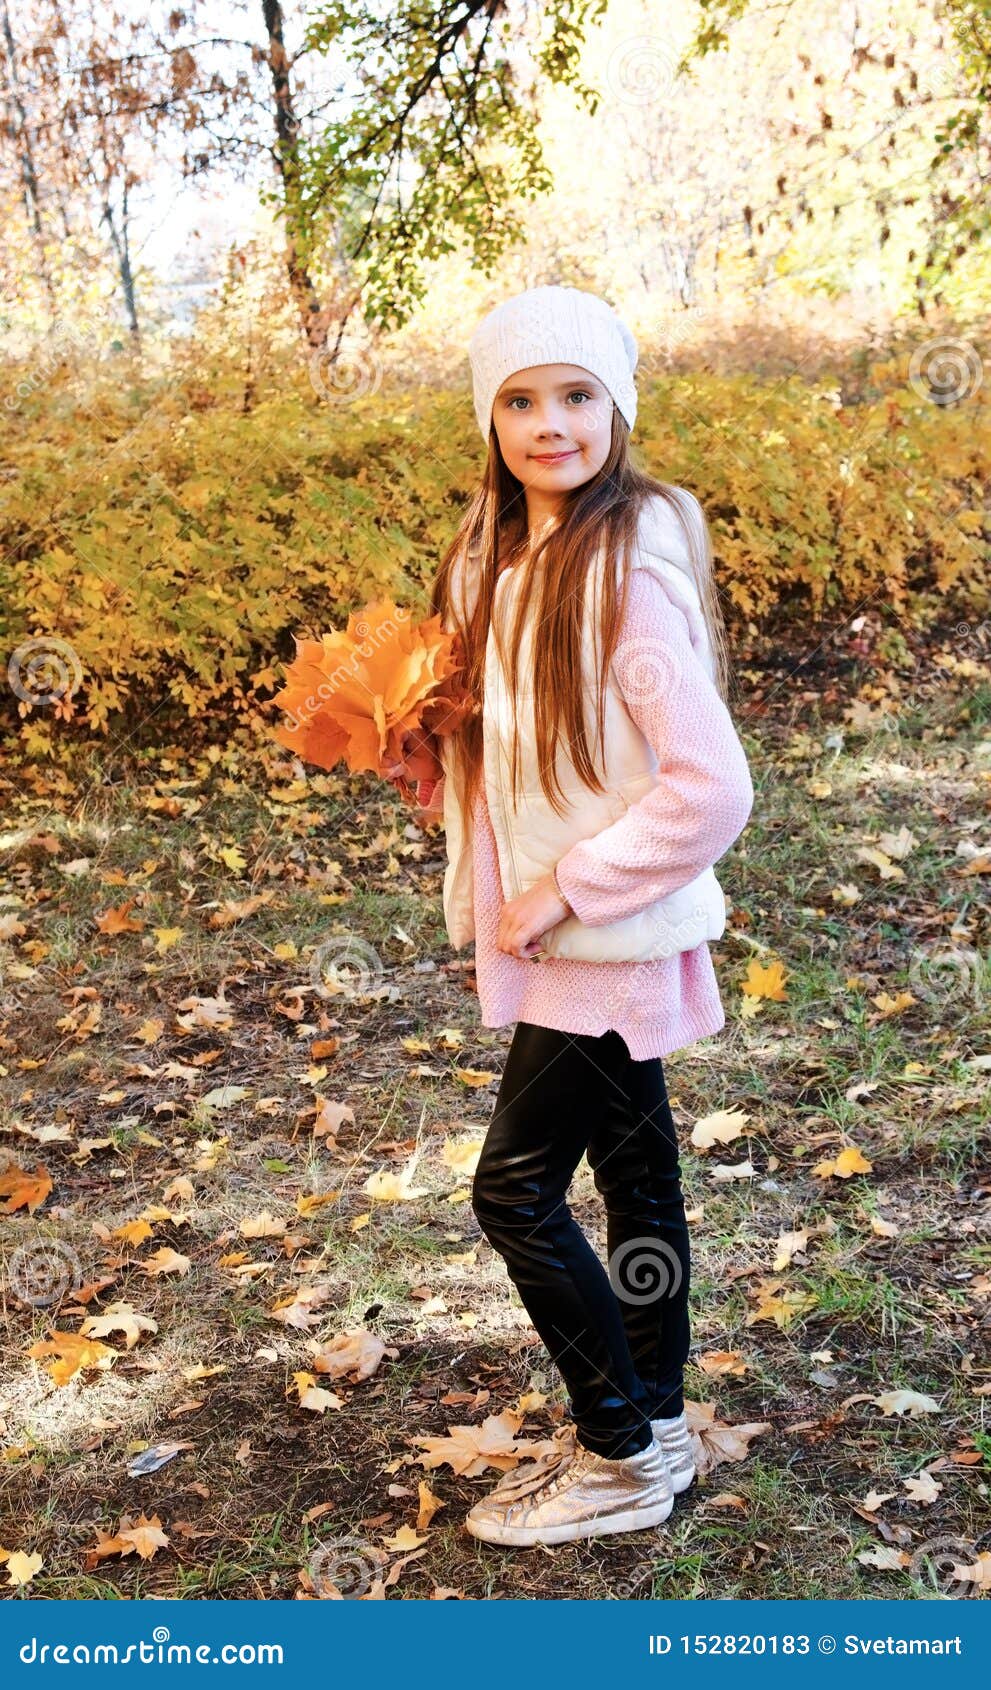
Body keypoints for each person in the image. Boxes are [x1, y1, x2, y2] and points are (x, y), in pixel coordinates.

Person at [387, 285, 754, 1549]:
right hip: (571, 933)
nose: (551, 424)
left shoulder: (624, 563)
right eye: (521, 399)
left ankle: (615, 1452)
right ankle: (650, 1418)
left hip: (601, 934)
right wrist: (437, 761)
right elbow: (534, 741)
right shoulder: (492, 557)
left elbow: (711, 785)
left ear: (619, 407)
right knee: (636, 1172)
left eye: (579, 394)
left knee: (514, 1192)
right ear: (488, 417)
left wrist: (565, 888)